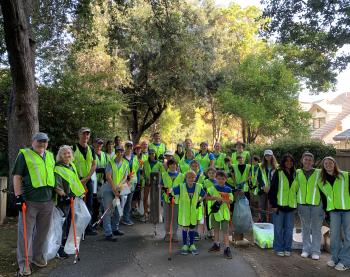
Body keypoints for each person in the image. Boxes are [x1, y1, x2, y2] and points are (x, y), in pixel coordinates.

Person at [13, 132, 55, 276]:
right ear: (33, 141)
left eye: (45, 142)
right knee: (25, 234)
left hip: (48, 201)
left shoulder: (50, 155)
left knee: (43, 233)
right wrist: (18, 197)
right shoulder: (24, 155)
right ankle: (24, 264)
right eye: (39, 141)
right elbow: (17, 176)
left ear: (47, 143)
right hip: (30, 201)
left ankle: (38, 257)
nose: (42, 144)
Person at [318, 157, 350, 272]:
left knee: (348, 236)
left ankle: (345, 261)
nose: (328, 164)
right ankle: (335, 258)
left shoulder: (345, 175)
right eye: (325, 163)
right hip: (333, 211)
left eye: (330, 162)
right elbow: (324, 199)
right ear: (323, 166)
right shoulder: (321, 181)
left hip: (347, 210)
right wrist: (327, 213)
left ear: (334, 164)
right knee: (335, 235)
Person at [54, 145, 86, 259]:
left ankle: (68, 244)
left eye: (68, 153)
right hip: (64, 200)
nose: (67, 155)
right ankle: (59, 248)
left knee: (70, 222)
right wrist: (64, 196)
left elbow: (76, 181)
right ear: (60, 155)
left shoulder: (72, 165)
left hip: (74, 199)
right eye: (64, 153)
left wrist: (81, 193)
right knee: (62, 224)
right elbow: (56, 186)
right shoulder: (57, 168)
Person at [293, 152, 323, 260]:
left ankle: (316, 251)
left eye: (310, 160)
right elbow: (295, 188)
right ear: (302, 160)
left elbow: (324, 188)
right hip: (302, 204)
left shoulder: (319, 172)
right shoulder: (297, 172)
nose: (308, 161)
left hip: (316, 205)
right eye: (306, 159)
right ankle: (305, 249)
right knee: (305, 228)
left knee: (316, 228)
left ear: (313, 162)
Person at [268, 153, 297, 257]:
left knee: (289, 229)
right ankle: (279, 248)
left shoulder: (295, 173)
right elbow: (272, 190)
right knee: (279, 229)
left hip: (291, 206)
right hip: (279, 206)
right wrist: (274, 205)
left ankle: (287, 248)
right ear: (283, 162)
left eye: (291, 161)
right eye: (286, 161)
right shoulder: (278, 172)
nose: (289, 163)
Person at [171, 170, 206, 255]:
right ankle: (184, 245)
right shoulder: (181, 186)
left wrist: (199, 201)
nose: (190, 179)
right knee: (185, 228)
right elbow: (172, 191)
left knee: (192, 228)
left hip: (194, 212)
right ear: (186, 178)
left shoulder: (198, 186)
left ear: (195, 178)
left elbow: (204, 194)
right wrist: (170, 195)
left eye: (192, 177)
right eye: (189, 177)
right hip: (184, 213)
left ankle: (191, 244)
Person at [73, 127, 97, 235]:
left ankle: (88, 227)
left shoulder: (91, 149)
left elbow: (94, 165)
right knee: (77, 205)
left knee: (89, 204)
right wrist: (79, 180)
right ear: (79, 135)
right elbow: (70, 164)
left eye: (87, 135)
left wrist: (86, 178)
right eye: (83, 134)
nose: (85, 136)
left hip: (88, 181)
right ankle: (77, 228)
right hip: (76, 181)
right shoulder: (73, 148)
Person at [103, 146, 129, 241]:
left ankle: (115, 228)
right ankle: (108, 233)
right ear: (116, 152)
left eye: (122, 151)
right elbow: (108, 177)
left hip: (120, 190)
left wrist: (119, 189)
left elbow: (125, 178)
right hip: (109, 189)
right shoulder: (110, 163)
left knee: (119, 210)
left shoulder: (125, 163)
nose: (120, 153)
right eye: (118, 151)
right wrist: (114, 189)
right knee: (108, 211)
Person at [207, 171, 233, 259]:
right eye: (219, 179)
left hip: (225, 214)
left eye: (223, 179)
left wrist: (222, 200)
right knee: (216, 230)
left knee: (225, 232)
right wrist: (215, 198)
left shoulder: (228, 189)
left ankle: (227, 248)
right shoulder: (212, 188)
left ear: (226, 179)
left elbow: (231, 201)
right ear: (216, 179)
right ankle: (216, 245)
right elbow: (206, 198)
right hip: (215, 213)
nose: (221, 180)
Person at [161, 159, 184, 242]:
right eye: (171, 164)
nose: (173, 166)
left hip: (177, 199)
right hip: (167, 199)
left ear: (177, 166)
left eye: (174, 164)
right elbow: (160, 185)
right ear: (168, 166)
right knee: (167, 217)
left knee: (175, 217)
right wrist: (166, 190)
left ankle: (174, 234)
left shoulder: (182, 176)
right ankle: (167, 234)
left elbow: (183, 187)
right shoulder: (164, 175)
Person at [142, 149, 164, 222]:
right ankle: (145, 214)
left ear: (155, 154)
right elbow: (143, 173)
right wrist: (145, 178)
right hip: (147, 183)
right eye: (150, 153)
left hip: (155, 185)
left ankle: (156, 214)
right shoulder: (145, 163)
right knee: (145, 199)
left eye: (153, 153)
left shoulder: (159, 164)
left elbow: (163, 174)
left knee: (155, 200)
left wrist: (159, 182)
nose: (152, 155)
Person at [256, 150, 278, 223]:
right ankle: (263, 221)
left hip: (272, 190)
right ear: (264, 157)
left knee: (271, 207)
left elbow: (277, 178)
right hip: (263, 190)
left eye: (269, 155)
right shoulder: (260, 166)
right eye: (266, 155)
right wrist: (263, 187)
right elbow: (259, 177)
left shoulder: (277, 166)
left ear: (272, 156)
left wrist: (270, 188)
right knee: (262, 206)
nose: (267, 157)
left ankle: (272, 222)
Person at [122, 141, 139, 226]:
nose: (129, 148)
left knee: (129, 201)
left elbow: (137, 169)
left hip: (132, 182)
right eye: (127, 146)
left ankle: (125, 218)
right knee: (123, 201)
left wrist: (137, 180)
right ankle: (122, 217)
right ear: (125, 147)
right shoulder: (122, 157)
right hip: (124, 182)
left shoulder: (134, 157)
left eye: (131, 146)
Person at [92, 138, 108, 224]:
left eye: (101, 144)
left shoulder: (104, 154)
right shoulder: (91, 154)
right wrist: (100, 170)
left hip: (102, 181)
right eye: (98, 144)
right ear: (94, 144)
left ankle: (101, 220)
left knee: (103, 201)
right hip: (93, 182)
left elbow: (108, 167)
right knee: (95, 203)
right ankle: (94, 220)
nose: (99, 146)